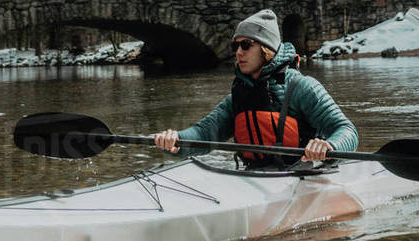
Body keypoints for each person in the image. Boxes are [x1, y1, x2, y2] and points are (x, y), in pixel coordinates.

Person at [153, 9, 358, 166]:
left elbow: (347, 130)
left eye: (246, 45)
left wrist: (329, 146)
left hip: (305, 174)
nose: (239, 52)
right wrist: (176, 140)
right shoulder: (239, 95)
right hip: (256, 176)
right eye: (236, 46)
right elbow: (204, 134)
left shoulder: (303, 87)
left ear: (266, 49)